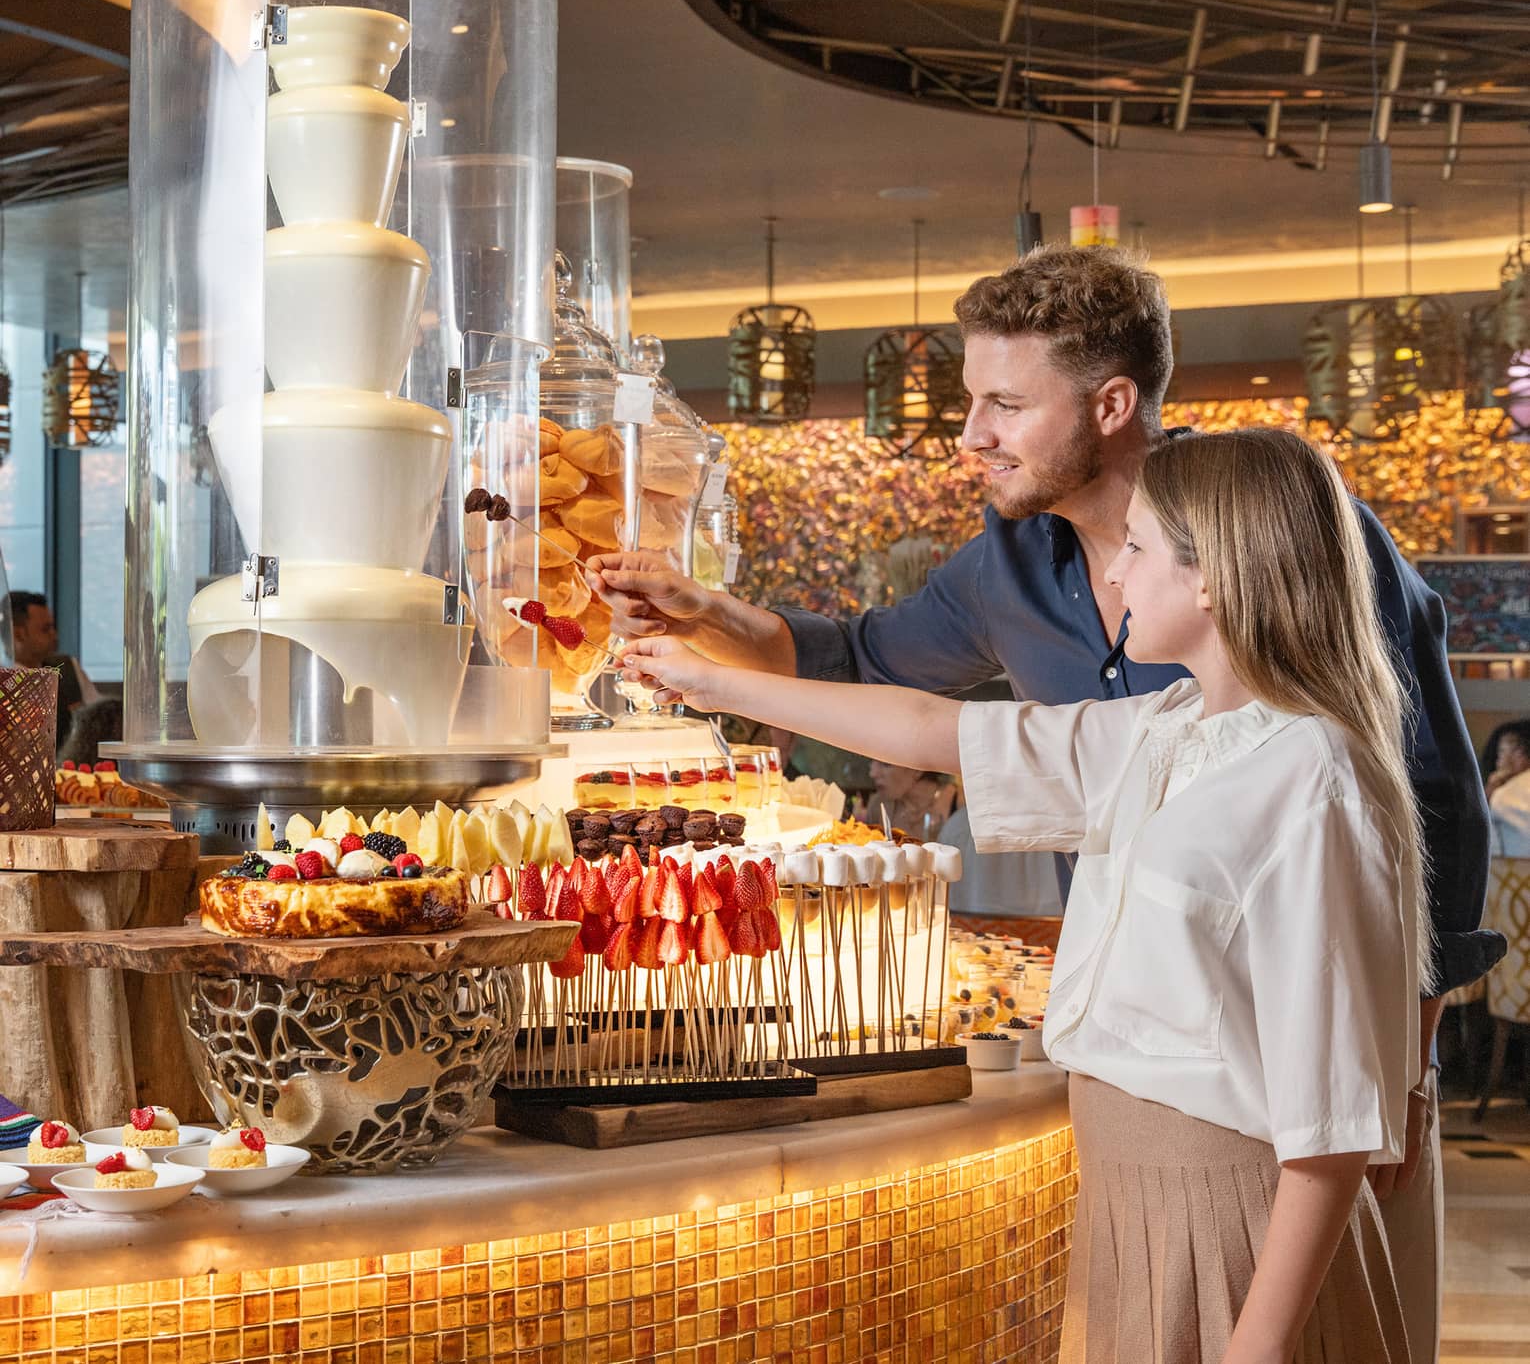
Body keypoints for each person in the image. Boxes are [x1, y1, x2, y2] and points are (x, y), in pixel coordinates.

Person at [589, 243, 1503, 1364]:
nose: (970, 435)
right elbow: (904, 691)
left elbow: (1432, 800)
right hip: (1147, 1087)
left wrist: (1405, 1046)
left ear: (1112, 404)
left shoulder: (1288, 542)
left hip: (1303, 1069)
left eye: (1005, 404)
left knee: (1337, 1305)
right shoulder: (1030, 588)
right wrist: (706, 628)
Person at [7, 591, 101, 749]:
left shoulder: (67, 667)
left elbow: (99, 716)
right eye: (46, 629)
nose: (54, 635)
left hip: (71, 770)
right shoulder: (6, 681)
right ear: (19, 634)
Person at [860, 760, 955, 839]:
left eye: (886, 763)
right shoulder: (878, 806)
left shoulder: (958, 806)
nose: (872, 773)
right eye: (872, 763)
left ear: (917, 769)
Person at [1484, 719, 1530, 859]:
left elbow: (1481, 835)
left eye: (1502, 752)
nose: (1498, 761)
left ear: (1519, 754)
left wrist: (1491, 790)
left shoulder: (1505, 796)